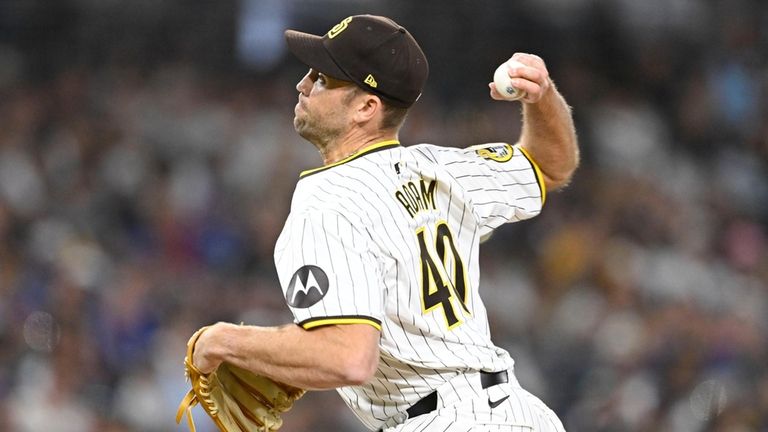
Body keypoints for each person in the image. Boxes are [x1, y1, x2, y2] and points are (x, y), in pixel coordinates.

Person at [190, 14, 578, 432]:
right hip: (521, 415)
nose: (302, 85)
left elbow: (349, 356)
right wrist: (543, 98)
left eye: (321, 78)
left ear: (366, 107)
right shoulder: (444, 169)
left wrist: (224, 341)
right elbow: (550, 165)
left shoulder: (329, 200)